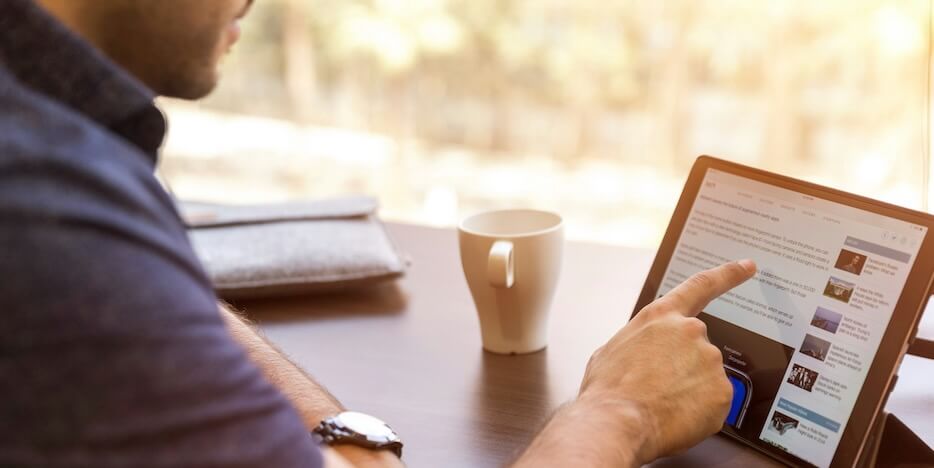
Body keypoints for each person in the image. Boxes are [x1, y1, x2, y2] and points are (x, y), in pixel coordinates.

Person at [0, 0, 757, 466]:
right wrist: (618, 413)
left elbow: (131, 300)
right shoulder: (41, 205)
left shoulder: (60, 155)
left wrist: (346, 443)